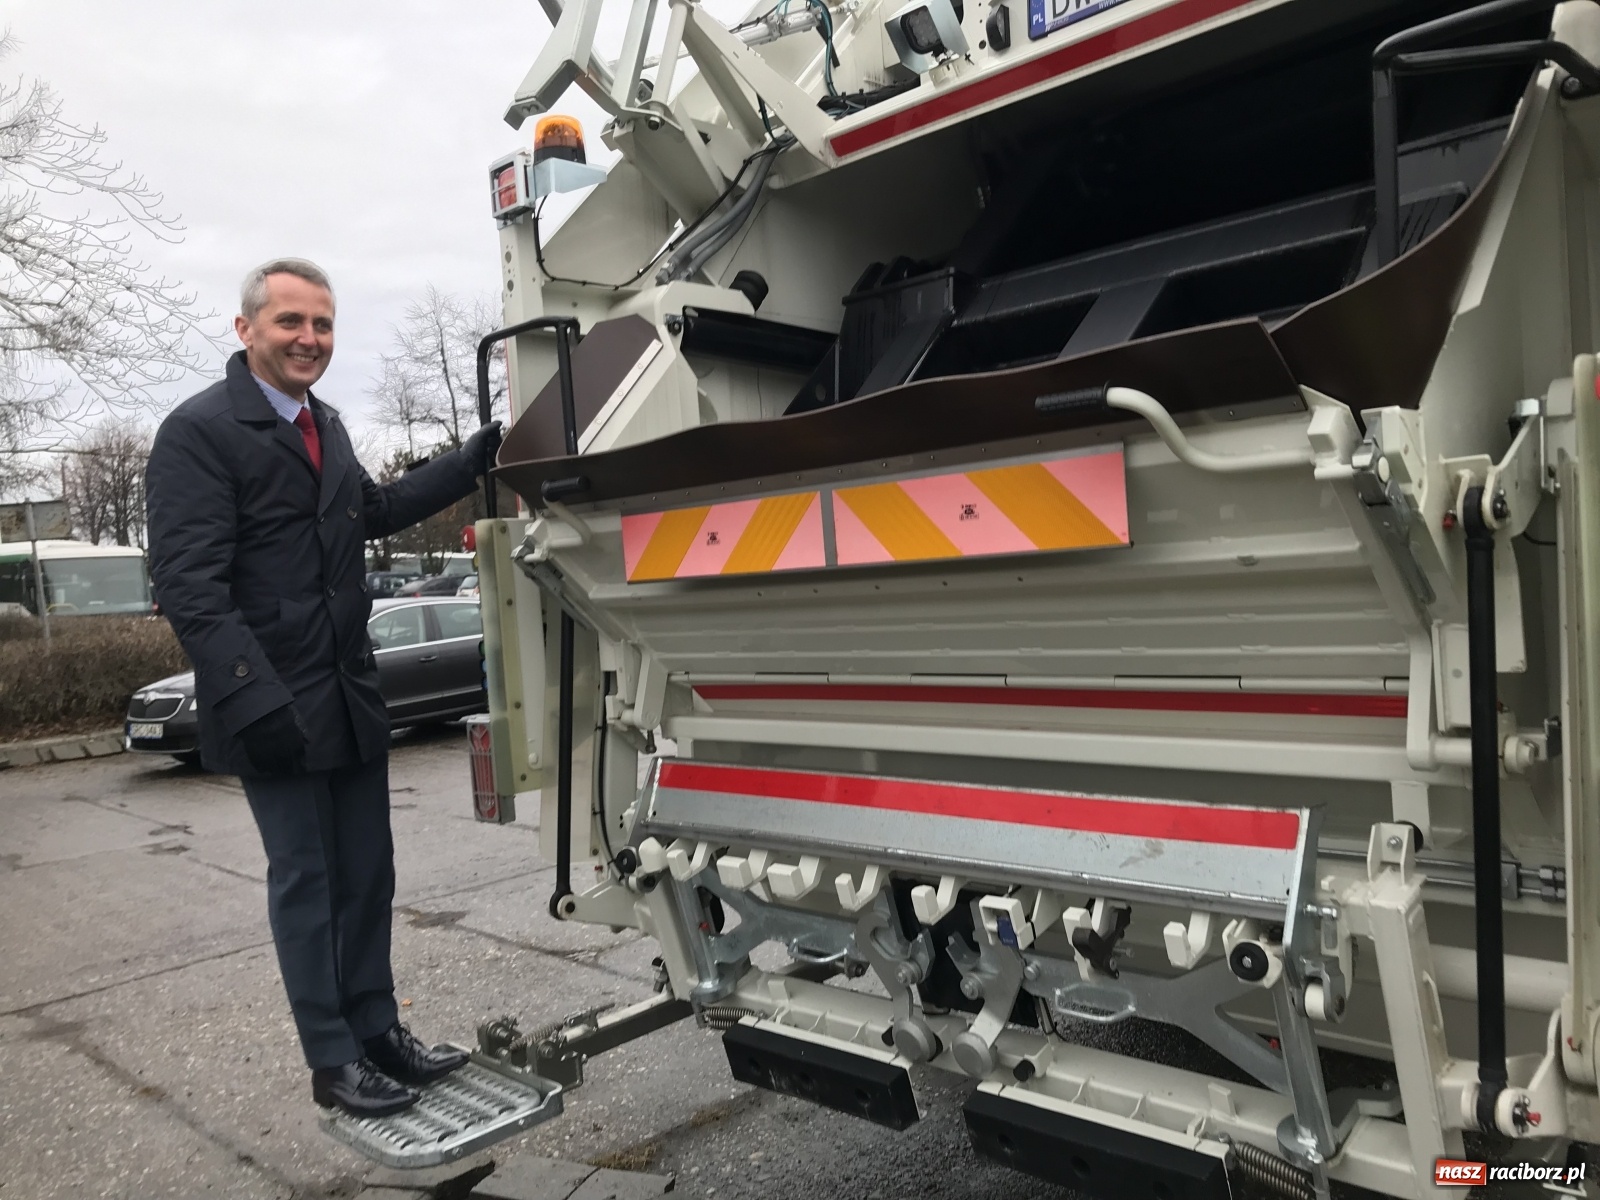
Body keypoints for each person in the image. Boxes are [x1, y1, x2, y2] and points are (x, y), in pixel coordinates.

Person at [145, 258, 502, 1118]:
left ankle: (379, 1031)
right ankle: (333, 1058)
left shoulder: (327, 425)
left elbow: (371, 512)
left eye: (324, 325)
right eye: (291, 323)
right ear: (247, 331)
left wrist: (467, 462)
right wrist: (249, 695)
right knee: (307, 882)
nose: (310, 339)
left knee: (367, 876)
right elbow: (190, 585)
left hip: (348, 697)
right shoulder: (198, 432)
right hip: (272, 704)